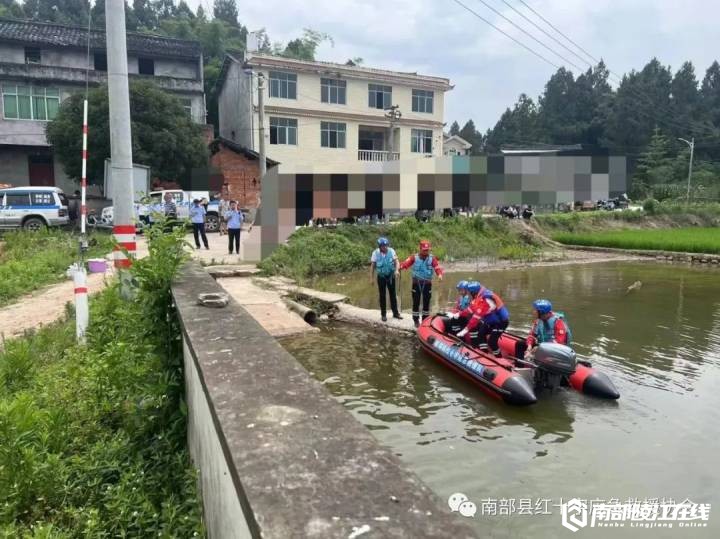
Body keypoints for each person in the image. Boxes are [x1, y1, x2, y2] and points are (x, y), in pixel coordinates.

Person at [453, 284, 510, 357]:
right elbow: (470, 309)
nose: (468, 295)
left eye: (469, 293)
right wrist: (459, 314)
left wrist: (466, 329)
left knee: (492, 342)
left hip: (500, 322)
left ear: (473, 293)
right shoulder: (478, 298)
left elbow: (476, 317)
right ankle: (484, 353)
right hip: (490, 322)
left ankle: (499, 357)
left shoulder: (485, 301)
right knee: (480, 334)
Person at [399, 240, 444, 328]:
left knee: (426, 303)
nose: (426, 252)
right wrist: (398, 268)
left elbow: (437, 267)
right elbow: (405, 264)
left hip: (427, 284)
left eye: (427, 250)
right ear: (420, 249)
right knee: (416, 302)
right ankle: (416, 320)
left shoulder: (432, 258)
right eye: (424, 250)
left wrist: (440, 275)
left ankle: (425, 320)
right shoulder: (414, 257)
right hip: (417, 284)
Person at [370, 237, 402, 322]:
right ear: (379, 246)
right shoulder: (375, 253)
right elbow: (373, 266)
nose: (385, 247)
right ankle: (383, 315)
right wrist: (371, 278)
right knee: (382, 296)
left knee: (393, 295)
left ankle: (395, 313)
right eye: (383, 246)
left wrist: (396, 270)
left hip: (391, 276)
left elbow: (397, 262)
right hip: (381, 277)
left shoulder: (391, 251)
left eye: (386, 245)